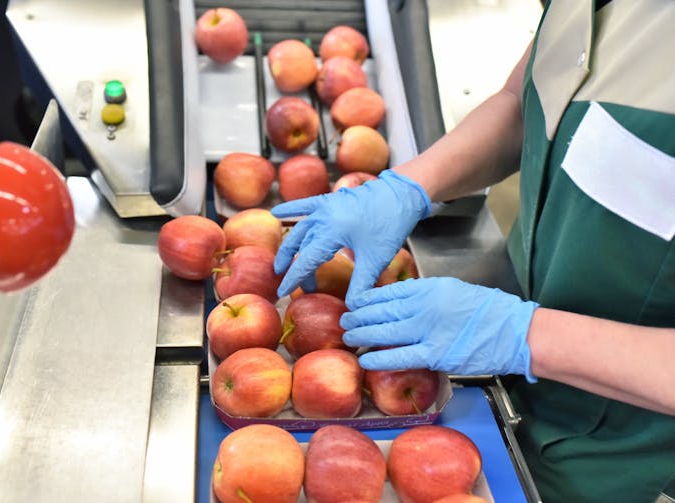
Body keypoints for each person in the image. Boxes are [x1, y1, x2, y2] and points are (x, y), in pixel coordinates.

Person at [270, 1, 675, 501]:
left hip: (619, 450)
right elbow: (522, 101)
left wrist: (524, 333)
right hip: (515, 350)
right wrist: (409, 186)